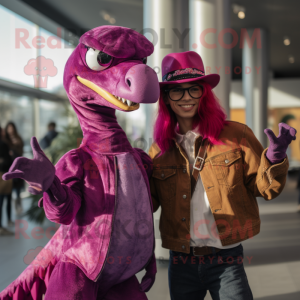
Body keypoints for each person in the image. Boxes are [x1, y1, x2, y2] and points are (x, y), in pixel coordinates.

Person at [149, 51, 296, 300]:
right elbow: (148, 204)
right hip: (181, 262)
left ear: (203, 94)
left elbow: (265, 188)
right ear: (166, 98)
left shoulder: (236, 135)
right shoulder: (158, 150)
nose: (186, 98)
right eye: (177, 91)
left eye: (193, 89)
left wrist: (274, 158)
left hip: (226, 259)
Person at [5, 122, 24, 214]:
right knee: (11, 190)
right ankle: (15, 208)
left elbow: (21, 152)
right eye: (9, 128)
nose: (10, 130)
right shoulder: (5, 140)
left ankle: (19, 206)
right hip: (8, 168)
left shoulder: (18, 139)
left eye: (11, 128)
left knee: (18, 190)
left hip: (19, 167)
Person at [0, 126, 14, 235]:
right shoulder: (3, 144)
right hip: (4, 175)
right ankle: (2, 226)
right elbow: (8, 161)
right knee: (5, 199)